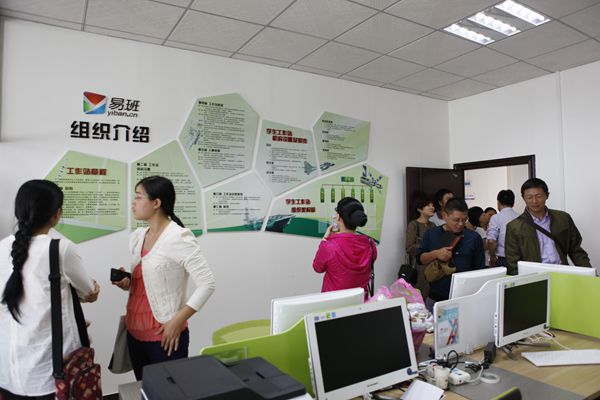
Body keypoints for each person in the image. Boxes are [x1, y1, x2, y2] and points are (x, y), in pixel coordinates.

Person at [0, 180, 100, 400]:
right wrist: (93, 290)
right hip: (50, 374)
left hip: (8, 372)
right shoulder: (60, 249)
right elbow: (88, 291)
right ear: (57, 214)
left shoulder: (2, 247)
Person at [113, 176, 216, 380]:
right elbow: (150, 282)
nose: (133, 203)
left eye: (138, 197)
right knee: (145, 389)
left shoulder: (178, 237)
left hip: (165, 336)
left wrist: (177, 322)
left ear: (156, 203)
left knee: (170, 391)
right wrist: (127, 283)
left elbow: (207, 284)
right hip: (134, 333)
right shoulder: (138, 236)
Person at [505, 178, 591, 275]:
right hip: (535, 277)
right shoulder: (514, 227)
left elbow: (576, 251)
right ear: (523, 198)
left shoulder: (563, 218)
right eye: (529, 197)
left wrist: (590, 274)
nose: (534, 201)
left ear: (547, 195)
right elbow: (513, 263)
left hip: (562, 273)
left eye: (539, 196)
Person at [416, 198, 485, 310]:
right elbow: (420, 259)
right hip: (436, 299)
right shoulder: (432, 234)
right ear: (445, 216)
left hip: (465, 299)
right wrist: (435, 254)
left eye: (464, 220)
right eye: (456, 220)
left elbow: (479, 269)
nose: (460, 224)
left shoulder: (473, 238)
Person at [313, 197, 377, 299]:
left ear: (338, 217)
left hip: (334, 304)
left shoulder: (329, 246)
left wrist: (325, 238)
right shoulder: (370, 244)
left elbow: (317, 268)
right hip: (360, 303)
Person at [405, 197, 435, 299]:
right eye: (428, 205)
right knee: (420, 297)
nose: (432, 207)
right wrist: (427, 247)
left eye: (432, 205)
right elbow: (409, 248)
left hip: (433, 267)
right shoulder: (413, 225)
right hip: (419, 268)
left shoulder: (433, 225)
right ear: (419, 209)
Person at [487, 190, 520, 268]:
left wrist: (492, 256)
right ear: (513, 202)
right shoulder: (520, 217)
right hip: (519, 259)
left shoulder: (496, 218)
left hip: (503, 260)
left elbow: (491, 241)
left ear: (498, 202)